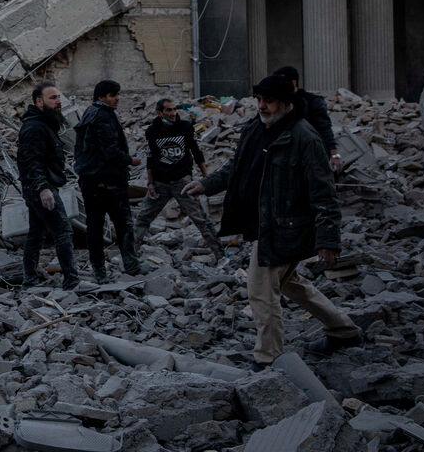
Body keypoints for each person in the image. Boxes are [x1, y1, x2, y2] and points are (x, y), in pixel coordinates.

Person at [183, 75, 361, 366]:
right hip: (264, 223)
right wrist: (207, 184)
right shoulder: (256, 127)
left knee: (260, 289)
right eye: (259, 100)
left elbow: (324, 194)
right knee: (291, 284)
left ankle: (269, 359)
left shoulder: (305, 138)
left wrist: (328, 240)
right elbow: (236, 167)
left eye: (268, 101)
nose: (262, 106)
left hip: (286, 229)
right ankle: (345, 331)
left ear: (286, 103)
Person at [74, 79, 143, 283]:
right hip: (107, 181)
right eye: (113, 95)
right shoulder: (103, 116)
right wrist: (130, 160)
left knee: (95, 226)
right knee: (122, 223)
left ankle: (100, 271)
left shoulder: (90, 112)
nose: (117, 99)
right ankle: (129, 266)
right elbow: (110, 150)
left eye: (117, 95)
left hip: (92, 180)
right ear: (102, 97)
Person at [134, 98, 223, 257]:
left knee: (201, 219)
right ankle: (130, 256)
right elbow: (150, 159)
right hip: (160, 182)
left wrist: (205, 179)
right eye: (168, 110)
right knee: (143, 218)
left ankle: (220, 254)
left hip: (182, 182)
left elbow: (197, 153)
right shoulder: (152, 131)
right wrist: (150, 182)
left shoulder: (186, 127)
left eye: (174, 109)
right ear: (159, 113)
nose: (173, 113)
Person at [15, 81, 79, 290]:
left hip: (39, 186)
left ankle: (29, 279)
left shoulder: (43, 124)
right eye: (53, 98)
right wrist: (43, 188)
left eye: (59, 97)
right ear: (39, 101)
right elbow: (30, 161)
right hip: (40, 187)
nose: (58, 101)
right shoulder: (35, 127)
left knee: (36, 233)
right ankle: (72, 281)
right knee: (63, 230)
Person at [274, 66, 343, 173]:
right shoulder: (277, 103)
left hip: (310, 157)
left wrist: (334, 154)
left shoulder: (312, 102)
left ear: (293, 83)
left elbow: (324, 129)